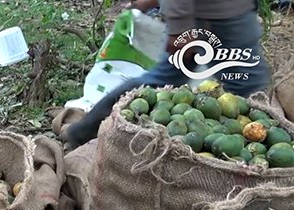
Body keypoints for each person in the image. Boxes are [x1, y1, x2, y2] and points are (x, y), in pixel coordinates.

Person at [63, 0, 271, 149]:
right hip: (218, 17)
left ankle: (84, 130)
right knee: (248, 84)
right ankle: (85, 130)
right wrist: (179, 28)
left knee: (162, 80)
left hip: (222, 14)